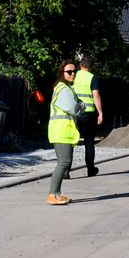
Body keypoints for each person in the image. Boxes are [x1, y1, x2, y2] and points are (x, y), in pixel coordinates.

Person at [47, 59, 83, 205]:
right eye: (69, 72)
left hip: (63, 130)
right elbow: (74, 108)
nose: (72, 74)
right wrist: (81, 106)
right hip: (61, 130)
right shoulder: (63, 89)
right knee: (64, 162)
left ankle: (57, 193)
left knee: (64, 162)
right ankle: (52, 194)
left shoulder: (65, 87)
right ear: (62, 73)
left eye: (74, 71)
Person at [73, 56, 103, 177]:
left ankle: (65, 170)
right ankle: (91, 169)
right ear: (91, 66)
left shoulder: (73, 75)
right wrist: (100, 112)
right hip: (88, 114)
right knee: (89, 142)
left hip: (74, 112)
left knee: (70, 141)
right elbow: (96, 95)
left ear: (80, 65)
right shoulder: (92, 77)